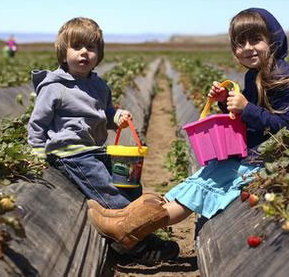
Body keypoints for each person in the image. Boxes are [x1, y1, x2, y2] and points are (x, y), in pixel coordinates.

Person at [87, 8, 289, 252]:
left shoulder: (285, 80)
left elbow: (286, 129)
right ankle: (120, 219)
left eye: (255, 40)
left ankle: (127, 231)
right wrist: (226, 101)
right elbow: (245, 119)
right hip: (249, 154)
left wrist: (246, 109)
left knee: (198, 192)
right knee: (193, 182)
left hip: (265, 161)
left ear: (273, 40)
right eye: (240, 42)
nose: (247, 48)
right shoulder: (252, 76)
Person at [27, 17, 179, 263]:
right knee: (108, 193)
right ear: (63, 53)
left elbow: (103, 114)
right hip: (70, 153)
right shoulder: (53, 87)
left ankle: (136, 232)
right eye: (77, 47)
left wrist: (116, 116)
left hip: (95, 149)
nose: (84, 53)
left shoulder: (99, 85)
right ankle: (134, 247)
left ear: (99, 53)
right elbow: (37, 122)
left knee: (128, 185)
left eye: (91, 47)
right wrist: (36, 150)